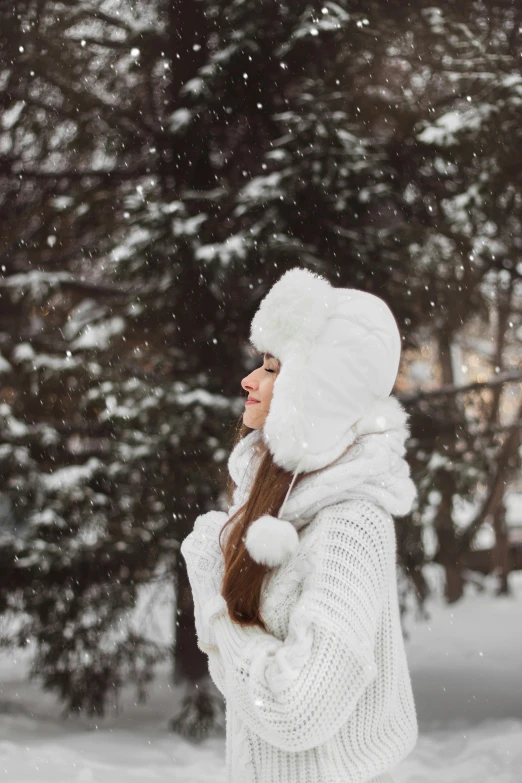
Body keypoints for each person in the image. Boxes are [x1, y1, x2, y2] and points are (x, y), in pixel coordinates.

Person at [181, 266, 418, 783]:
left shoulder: (351, 523)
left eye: (271, 367)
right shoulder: (273, 500)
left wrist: (212, 597)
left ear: (317, 387)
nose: (250, 380)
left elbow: (294, 711)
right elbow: (248, 693)